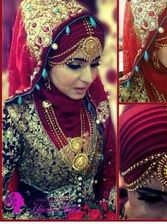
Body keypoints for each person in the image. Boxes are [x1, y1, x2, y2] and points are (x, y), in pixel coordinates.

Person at [3, 0, 116, 220]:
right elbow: (5, 197)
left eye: (95, 64)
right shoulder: (16, 116)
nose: (88, 78)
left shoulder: (95, 106)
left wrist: (105, 212)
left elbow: (109, 175)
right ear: (45, 62)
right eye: (75, 65)